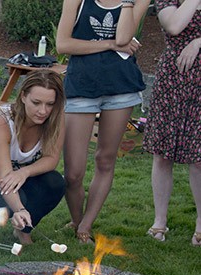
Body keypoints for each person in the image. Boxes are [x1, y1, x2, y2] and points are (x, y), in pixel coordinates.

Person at [56, 0, 151, 243]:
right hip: (82, 86)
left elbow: (124, 38)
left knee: (105, 159)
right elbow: (63, 44)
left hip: (121, 88)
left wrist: (127, 4)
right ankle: (76, 220)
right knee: (73, 173)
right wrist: (107, 44)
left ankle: (85, 226)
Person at [0, 70, 66, 245]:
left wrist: (24, 172)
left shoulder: (56, 119)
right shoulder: (0, 120)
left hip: (17, 174)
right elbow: (3, 176)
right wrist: (19, 209)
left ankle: (24, 230)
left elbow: (51, 159)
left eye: (50, 104)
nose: (43, 111)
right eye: (36, 103)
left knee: (56, 183)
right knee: (18, 196)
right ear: (23, 96)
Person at [143, 0, 200, 246]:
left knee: (199, 159)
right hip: (172, 82)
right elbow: (175, 26)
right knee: (162, 154)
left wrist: (199, 42)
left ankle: (200, 225)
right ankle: (159, 221)